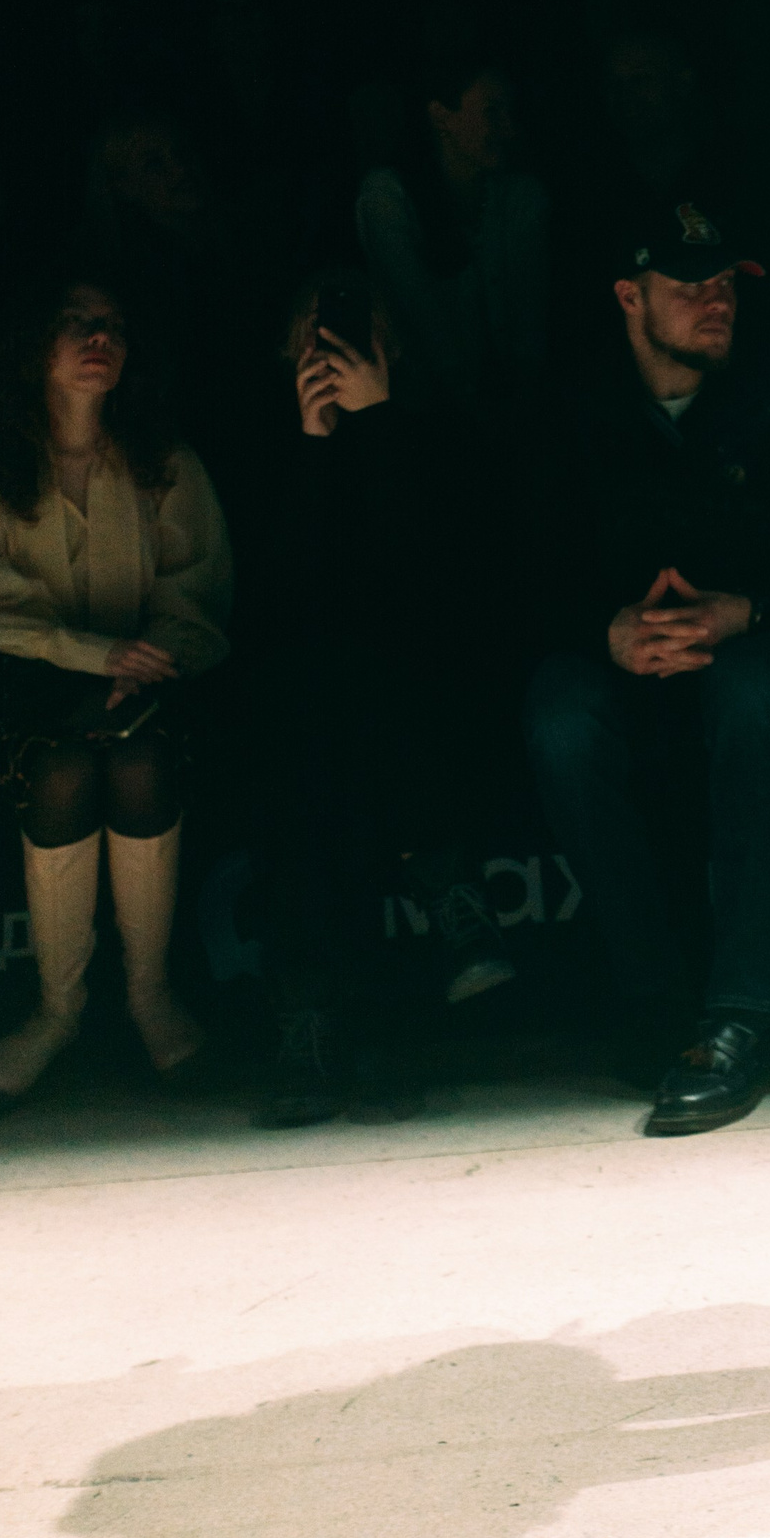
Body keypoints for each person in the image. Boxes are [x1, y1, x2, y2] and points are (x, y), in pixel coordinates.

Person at [523, 201, 770, 1133]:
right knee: (559, 711)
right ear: (630, 296)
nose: (716, 300)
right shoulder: (570, 408)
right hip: (624, 661)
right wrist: (604, 631)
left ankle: (741, 1020)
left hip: (748, 653)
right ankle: (655, 1003)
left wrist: (748, 610)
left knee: (752, 689)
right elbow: (508, 576)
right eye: (690, 284)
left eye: (725, 281)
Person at [247, 268, 518, 1131]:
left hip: (422, 680)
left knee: (362, 684)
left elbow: (431, 583)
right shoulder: (263, 442)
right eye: (312, 332)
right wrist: (313, 442)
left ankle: (329, 1017)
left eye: (351, 329)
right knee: (311, 697)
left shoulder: (435, 431)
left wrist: (379, 424)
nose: (329, 348)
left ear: (390, 344)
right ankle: (439, 887)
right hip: (319, 702)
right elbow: (285, 600)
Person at [0, 269, 231, 1115]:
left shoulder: (164, 462)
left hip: (147, 691)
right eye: (77, 322)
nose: (101, 339)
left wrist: (144, 661)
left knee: (139, 761)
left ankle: (150, 996)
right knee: (59, 770)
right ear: (33, 347)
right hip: (26, 694)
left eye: (114, 326)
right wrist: (92, 655)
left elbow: (198, 595)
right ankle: (57, 1014)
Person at [354, 39, 549, 411]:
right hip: (426, 409)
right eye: (492, 111)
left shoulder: (521, 197)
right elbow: (425, 329)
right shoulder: (388, 197)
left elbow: (530, 326)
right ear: (441, 116)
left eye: (509, 111)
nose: (508, 128)